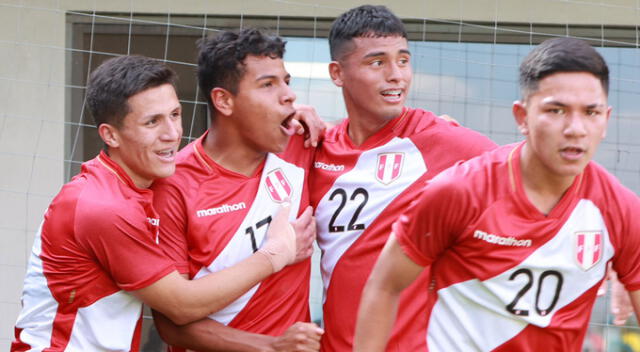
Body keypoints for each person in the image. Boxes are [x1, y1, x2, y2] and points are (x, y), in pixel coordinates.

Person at [354, 37, 640, 351]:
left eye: (591, 112)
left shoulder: (622, 211)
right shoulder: (458, 192)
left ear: (606, 119)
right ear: (522, 117)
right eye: (556, 111)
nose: (575, 128)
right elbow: (383, 286)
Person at [11, 55, 301, 351]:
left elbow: (223, 148)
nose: (172, 134)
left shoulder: (145, 183)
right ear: (110, 135)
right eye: (152, 122)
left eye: (175, 115)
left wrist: (286, 115)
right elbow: (181, 305)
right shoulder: (103, 206)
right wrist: (275, 252)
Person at [309, 5, 497, 351]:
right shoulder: (317, 150)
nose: (397, 75)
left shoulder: (445, 141)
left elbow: (533, 173)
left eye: (403, 60)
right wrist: (293, 113)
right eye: (377, 62)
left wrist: (614, 254)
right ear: (337, 73)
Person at [151, 28, 324, 352]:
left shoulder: (303, 143)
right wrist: (272, 347)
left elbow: (369, 145)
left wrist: (441, 132)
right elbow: (171, 324)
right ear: (224, 100)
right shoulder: (173, 185)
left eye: (286, 81)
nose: (288, 95)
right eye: (268, 85)